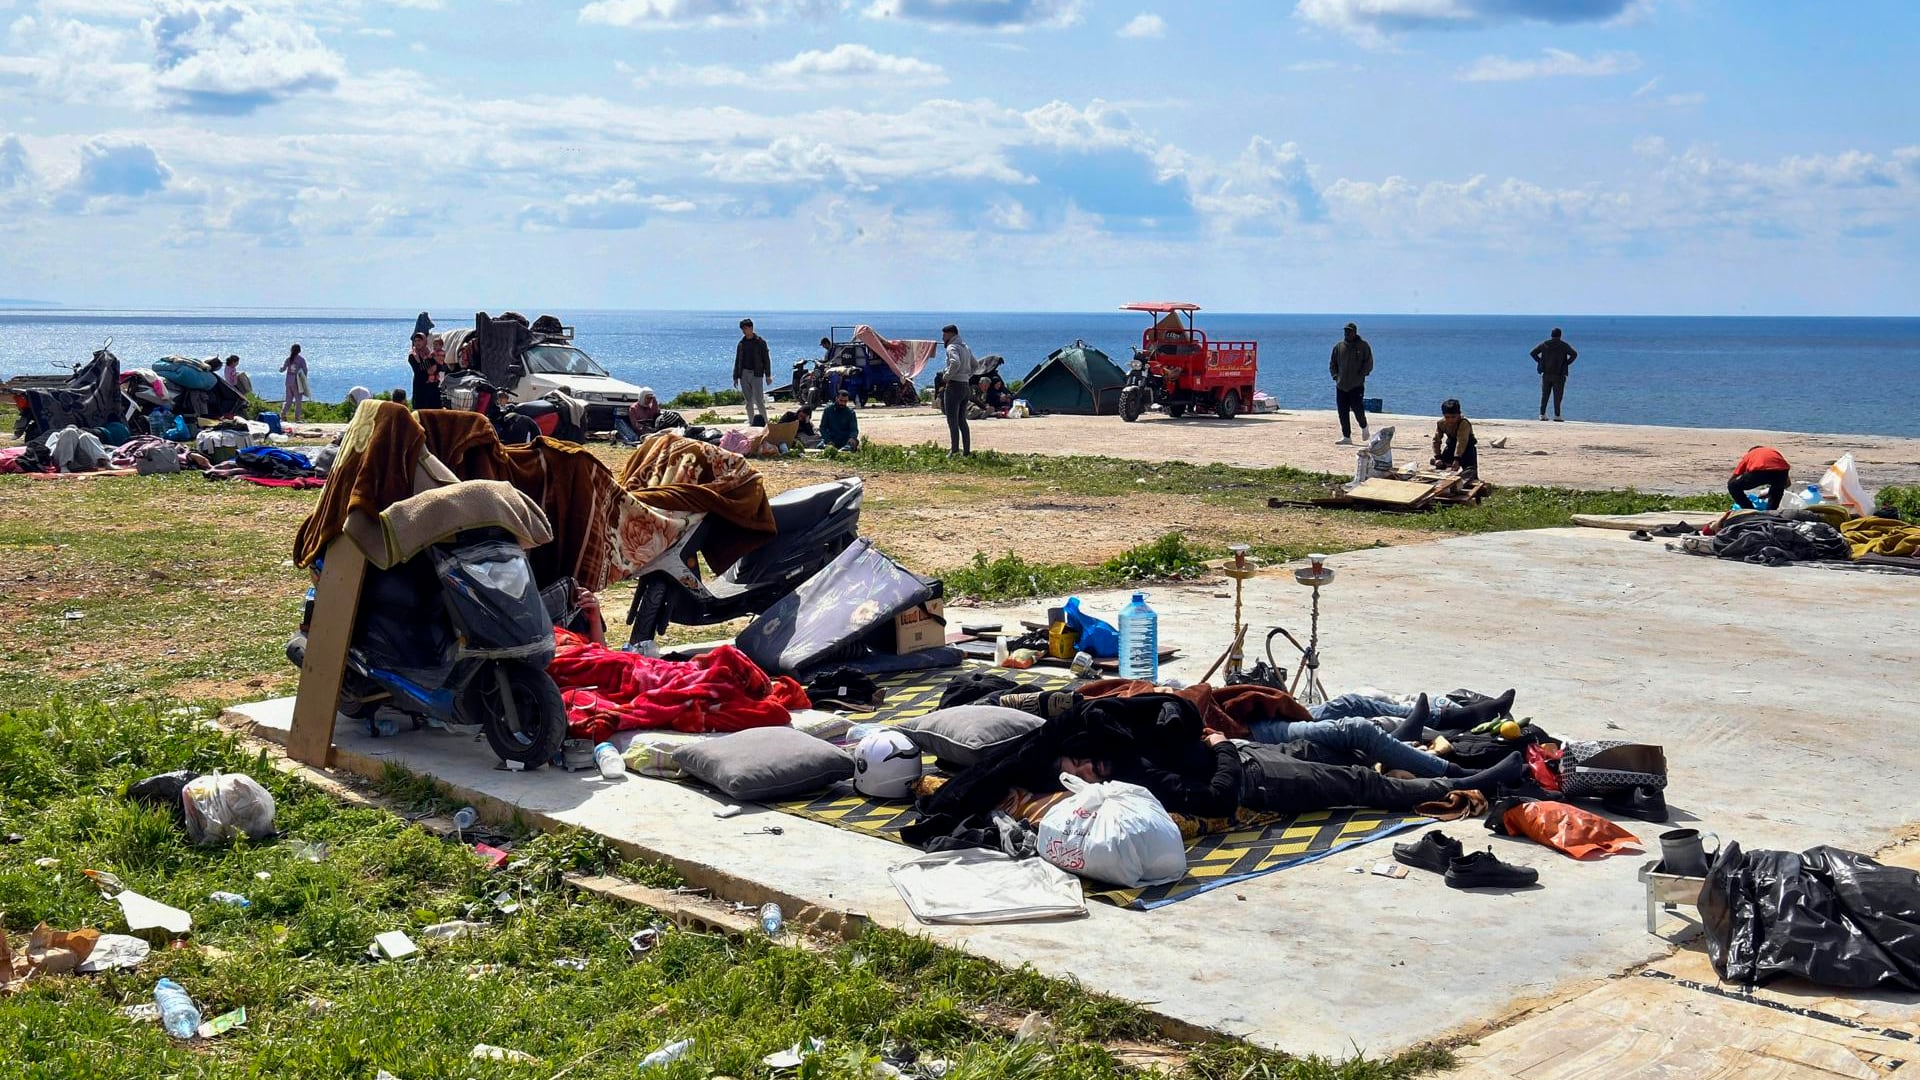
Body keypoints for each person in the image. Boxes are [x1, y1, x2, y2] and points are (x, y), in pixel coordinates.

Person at [1061, 729, 1525, 819]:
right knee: (1361, 785)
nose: (1086, 769)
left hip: (1250, 754)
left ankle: (1405, 745)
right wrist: (1222, 749)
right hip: (1256, 779)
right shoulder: (1140, 784)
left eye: (1080, 760)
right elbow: (1219, 799)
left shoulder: (1121, 752)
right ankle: (1462, 784)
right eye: (1076, 773)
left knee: (1337, 742)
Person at [1329, 322, 1373, 446]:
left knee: (1357, 408)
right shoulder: (1339, 347)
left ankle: (1364, 426)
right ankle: (1346, 436)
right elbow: (1333, 363)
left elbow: (1369, 362)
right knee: (1342, 411)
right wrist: (1335, 376)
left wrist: (1362, 374)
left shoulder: (1363, 346)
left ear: (1355, 332)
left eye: (1349, 331)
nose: (1347, 333)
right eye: (1345, 331)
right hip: (1341, 384)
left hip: (1356, 385)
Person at [940, 323, 978, 456]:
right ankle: (966, 451)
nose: (943, 338)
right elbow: (975, 365)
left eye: (944, 335)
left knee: (952, 419)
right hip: (965, 386)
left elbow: (954, 362)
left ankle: (954, 449)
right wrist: (967, 376)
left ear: (951, 334)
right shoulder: (965, 347)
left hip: (954, 386)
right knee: (962, 419)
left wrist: (946, 376)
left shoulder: (952, 347)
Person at [1530, 327, 1576, 421]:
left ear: (1551, 335)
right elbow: (1574, 354)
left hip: (1546, 374)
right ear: (1560, 335)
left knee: (1545, 395)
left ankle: (1542, 414)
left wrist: (1540, 362)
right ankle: (1557, 415)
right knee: (1558, 396)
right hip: (1559, 374)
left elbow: (1533, 353)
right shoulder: (1563, 345)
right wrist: (1566, 363)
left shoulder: (1545, 344)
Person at [1730, 445, 1791, 511]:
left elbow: (1736, 474)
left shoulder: (1750, 454)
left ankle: (1749, 509)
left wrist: (1730, 484)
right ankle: (1770, 511)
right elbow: (1787, 483)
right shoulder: (1773, 452)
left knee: (1733, 486)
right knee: (1777, 491)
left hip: (1759, 470)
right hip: (1781, 472)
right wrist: (1772, 492)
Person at [733, 318, 771, 426]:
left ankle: (765, 422)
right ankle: (751, 422)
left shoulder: (760, 342)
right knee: (748, 401)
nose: (744, 331)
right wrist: (735, 376)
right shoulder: (741, 343)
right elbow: (737, 360)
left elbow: (766, 359)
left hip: (757, 374)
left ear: (751, 328)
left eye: (745, 328)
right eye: (742, 329)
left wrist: (768, 375)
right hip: (744, 374)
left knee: (759, 400)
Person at [1430, 398, 1478, 480]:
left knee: (1470, 472)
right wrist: (1438, 457)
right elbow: (1436, 440)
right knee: (1441, 468)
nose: (1450, 420)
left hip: (1467, 447)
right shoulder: (1441, 423)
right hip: (1451, 445)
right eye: (1447, 417)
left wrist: (1457, 459)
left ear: (1459, 414)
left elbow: (1461, 442)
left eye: (1453, 417)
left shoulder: (1463, 423)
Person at [407, 332, 443, 410]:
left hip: (433, 388)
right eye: (415, 341)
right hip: (420, 388)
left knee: (435, 413)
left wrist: (434, 363)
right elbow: (418, 369)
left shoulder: (429, 352)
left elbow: (441, 366)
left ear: (424, 341)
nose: (417, 343)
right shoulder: (412, 355)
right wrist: (433, 361)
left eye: (419, 340)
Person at [279, 344, 308, 422]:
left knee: (288, 400)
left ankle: (283, 415)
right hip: (297, 382)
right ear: (299, 351)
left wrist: (280, 369)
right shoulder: (301, 360)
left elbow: (282, 369)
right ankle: (297, 418)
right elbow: (305, 371)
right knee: (298, 401)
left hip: (288, 381)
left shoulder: (289, 359)